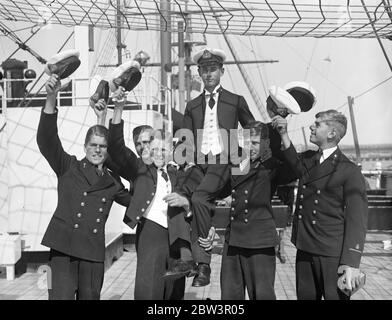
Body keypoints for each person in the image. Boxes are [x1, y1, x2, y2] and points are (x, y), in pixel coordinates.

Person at [36, 74, 130, 300]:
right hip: (61, 251)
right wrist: (51, 97)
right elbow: (47, 140)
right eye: (93, 146)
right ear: (85, 146)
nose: (98, 150)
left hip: (93, 255)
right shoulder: (68, 167)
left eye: (103, 147)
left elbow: (135, 199)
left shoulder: (112, 182)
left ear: (107, 151)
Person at [107, 88, 203, 300]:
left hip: (177, 235)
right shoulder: (140, 168)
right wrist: (118, 109)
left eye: (162, 149)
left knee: (174, 291)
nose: (157, 153)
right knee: (149, 288)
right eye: (152, 148)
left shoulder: (177, 171)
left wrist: (186, 204)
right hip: (151, 233)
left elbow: (199, 190)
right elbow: (116, 147)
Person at [179, 47, 255, 287]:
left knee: (200, 199)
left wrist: (252, 160)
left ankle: (205, 263)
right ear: (199, 73)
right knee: (179, 199)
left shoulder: (236, 101)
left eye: (213, 69)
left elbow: (254, 129)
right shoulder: (192, 105)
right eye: (204, 70)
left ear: (222, 71)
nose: (209, 74)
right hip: (199, 164)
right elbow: (186, 140)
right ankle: (190, 261)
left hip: (222, 162)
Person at [274, 109, 368, 300]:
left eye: (317, 124)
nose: (311, 126)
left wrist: (351, 263)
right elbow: (294, 162)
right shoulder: (310, 159)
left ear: (332, 133)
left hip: (332, 255)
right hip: (305, 249)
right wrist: (283, 134)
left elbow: (357, 220)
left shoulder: (348, 171)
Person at [219, 121, 296, 300]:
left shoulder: (272, 166)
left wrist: (284, 136)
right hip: (234, 240)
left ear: (265, 144)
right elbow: (218, 186)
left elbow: (295, 169)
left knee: (262, 295)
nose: (249, 147)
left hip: (260, 241)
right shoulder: (236, 164)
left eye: (254, 143)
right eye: (246, 142)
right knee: (230, 296)